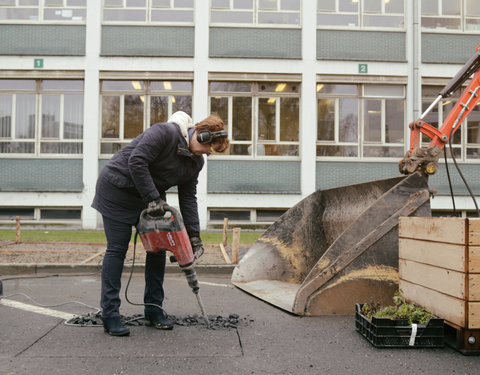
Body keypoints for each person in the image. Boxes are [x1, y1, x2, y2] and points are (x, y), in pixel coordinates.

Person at [92, 111, 229, 336]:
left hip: (149, 198)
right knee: (117, 249)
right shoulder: (164, 133)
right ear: (203, 136)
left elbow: (188, 198)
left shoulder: (196, 163)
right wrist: (154, 199)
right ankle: (110, 314)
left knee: (157, 250)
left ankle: (154, 310)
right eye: (209, 148)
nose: (208, 153)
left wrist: (194, 236)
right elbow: (137, 161)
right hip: (117, 189)